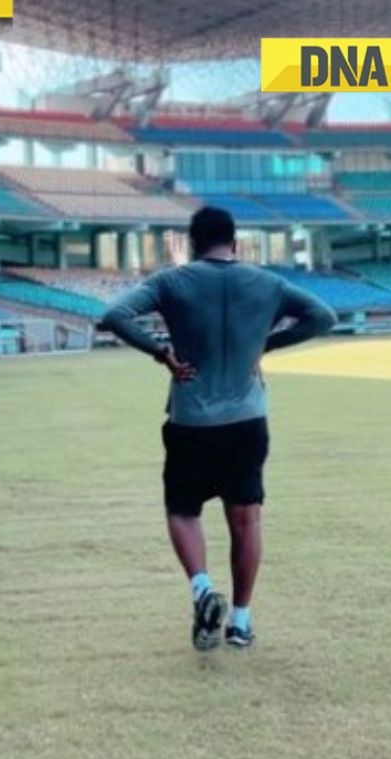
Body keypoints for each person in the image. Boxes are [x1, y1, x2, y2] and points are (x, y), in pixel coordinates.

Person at [99, 207, 335, 650]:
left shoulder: (172, 281)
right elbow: (323, 318)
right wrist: (263, 345)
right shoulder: (267, 283)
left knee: (183, 511)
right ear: (236, 243)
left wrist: (161, 353)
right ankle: (241, 622)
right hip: (247, 420)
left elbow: (114, 315)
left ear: (192, 242)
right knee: (246, 519)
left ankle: (204, 589)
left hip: (192, 420)